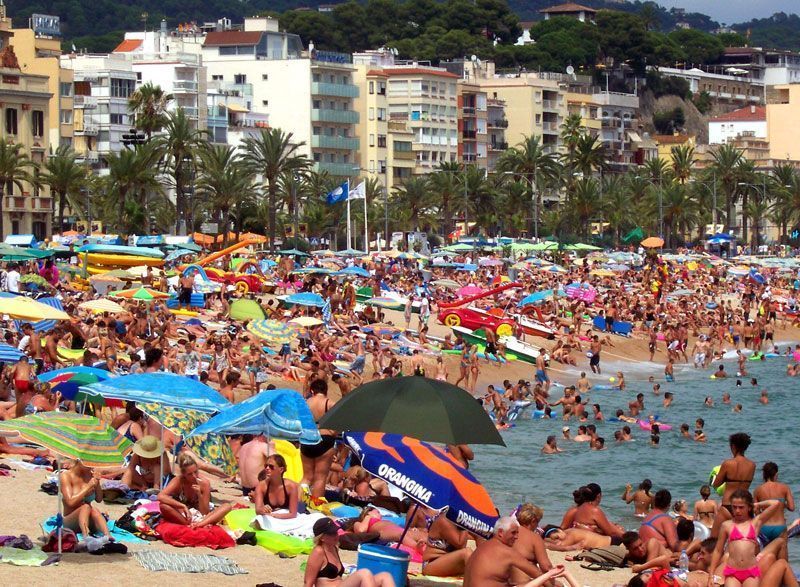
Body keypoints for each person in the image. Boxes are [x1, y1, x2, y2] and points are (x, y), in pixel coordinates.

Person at [464, 517, 577, 587]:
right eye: (513, 533)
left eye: (517, 533)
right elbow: (536, 573)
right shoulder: (507, 551)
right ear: (500, 533)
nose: (517, 537)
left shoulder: (483, 547)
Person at [707, 490, 782, 587]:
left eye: (741, 507)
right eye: (734, 507)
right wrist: (711, 575)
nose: (737, 510)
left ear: (749, 508)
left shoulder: (755, 523)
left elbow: (776, 503)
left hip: (751, 573)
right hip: (732, 572)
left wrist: (757, 504)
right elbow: (718, 550)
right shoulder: (727, 525)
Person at [303, 517, 396, 587]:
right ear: (322, 537)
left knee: (385, 576)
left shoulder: (334, 548)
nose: (336, 535)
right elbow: (308, 582)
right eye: (331, 533)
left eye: (336, 532)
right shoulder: (318, 551)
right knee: (364, 573)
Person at [158, 453, 232, 528]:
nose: (194, 476)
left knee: (227, 506)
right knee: (163, 506)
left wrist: (199, 495)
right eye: (189, 474)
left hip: (203, 517)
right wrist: (182, 506)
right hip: (184, 516)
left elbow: (205, 512)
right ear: (183, 474)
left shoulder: (204, 483)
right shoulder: (178, 481)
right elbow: (161, 496)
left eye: (195, 472)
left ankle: (198, 525)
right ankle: (189, 524)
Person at [712, 432, 756, 538]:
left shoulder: (728, 463)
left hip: (728, 505)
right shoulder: (752, 465)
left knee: (713, 539)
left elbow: (716, 484)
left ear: (733, 446)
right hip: (744, 505)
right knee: (741, 539)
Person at [301, 379, 338, 502]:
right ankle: (316, 506)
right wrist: (333, 433)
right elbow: (338, 425)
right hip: (325, 438)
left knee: (306, 476)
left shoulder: (305, 403)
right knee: (320, 477)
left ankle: (298, 502)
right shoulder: (330, 403)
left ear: (312, 390)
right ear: (325, 391)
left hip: (308, 437)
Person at [60, 458, 112, 539]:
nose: (91, 466)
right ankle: (86, 535)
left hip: (89, 520)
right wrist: (88, 486)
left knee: (94, 510)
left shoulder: (90, 475)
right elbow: (70, 502)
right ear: (79, 461)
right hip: (70, 521)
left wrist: (97, 482)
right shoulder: (66, 476)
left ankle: (108, 535)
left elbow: (99, 499)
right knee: (86, 507)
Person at [753, 462, 794, 555]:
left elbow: (756, 511)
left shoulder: (758, 490)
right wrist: (783, 504)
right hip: (780, 527)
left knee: (766, 556)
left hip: (764, 528)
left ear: (764, 475)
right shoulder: (784, 488)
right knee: (782, 560)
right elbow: (792, 507)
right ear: (776, 474)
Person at [511, 504, 554, 584]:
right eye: (538, 522)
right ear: (533, 521)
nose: (537, 526)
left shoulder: (508, 533)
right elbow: (546, 567)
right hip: (524, 583)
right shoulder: (534, 538)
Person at [253, 454, 301, 519]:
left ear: (281, 470)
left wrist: (275, 515)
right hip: (270, 517)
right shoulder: (261, 486)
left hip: (286, 518)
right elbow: (258, 510)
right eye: (266, 466)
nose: (267, 468)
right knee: (259, 519)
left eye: (271, 466)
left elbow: (293, 514)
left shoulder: (291, 486)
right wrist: (263, 509)